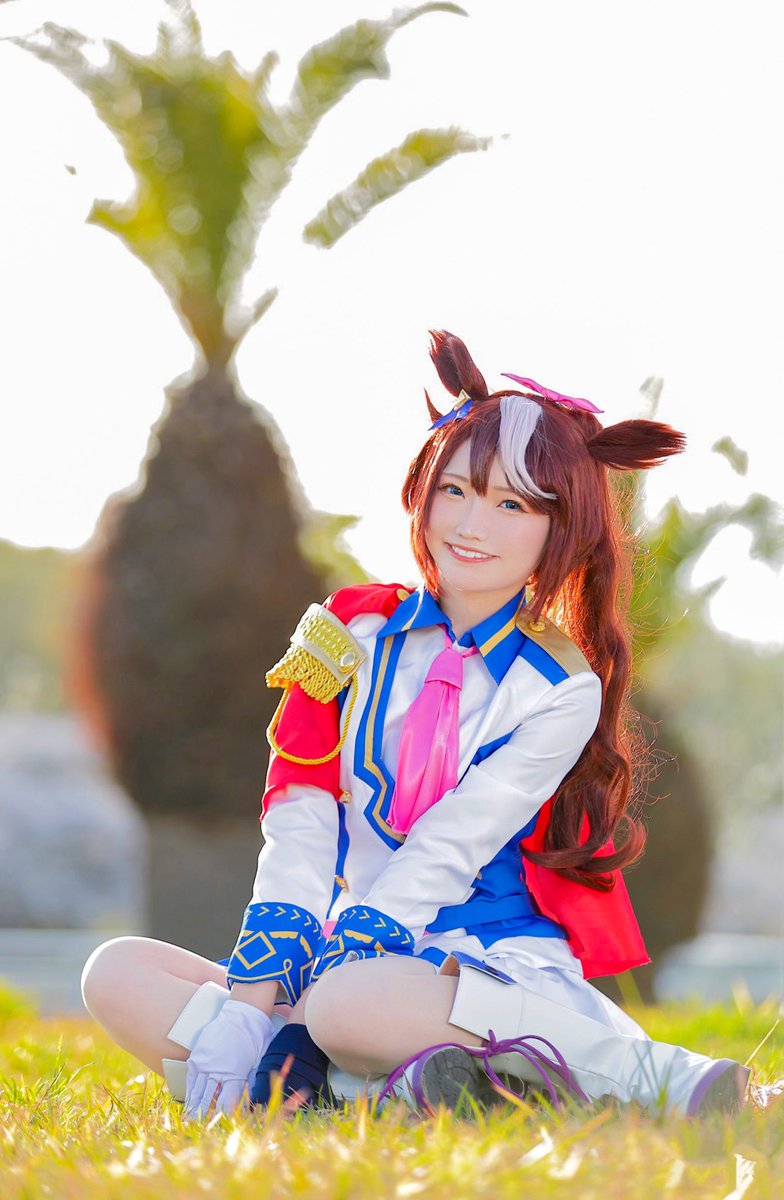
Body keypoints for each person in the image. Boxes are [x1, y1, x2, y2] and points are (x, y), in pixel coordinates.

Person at [81, 330, 749, 1120]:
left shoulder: (561, 687)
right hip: (337, 955)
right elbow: (299, 816)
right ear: (423, 490)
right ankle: (401, 1090)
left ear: (559, 527)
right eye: (456, 490)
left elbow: (447, 849)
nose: (472, 524)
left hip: (477, 968)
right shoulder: (345, 629)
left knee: (346, 1010)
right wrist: (252, 1005)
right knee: (115, 973)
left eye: (511, 505)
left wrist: (321, 995)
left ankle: (649, 1073)